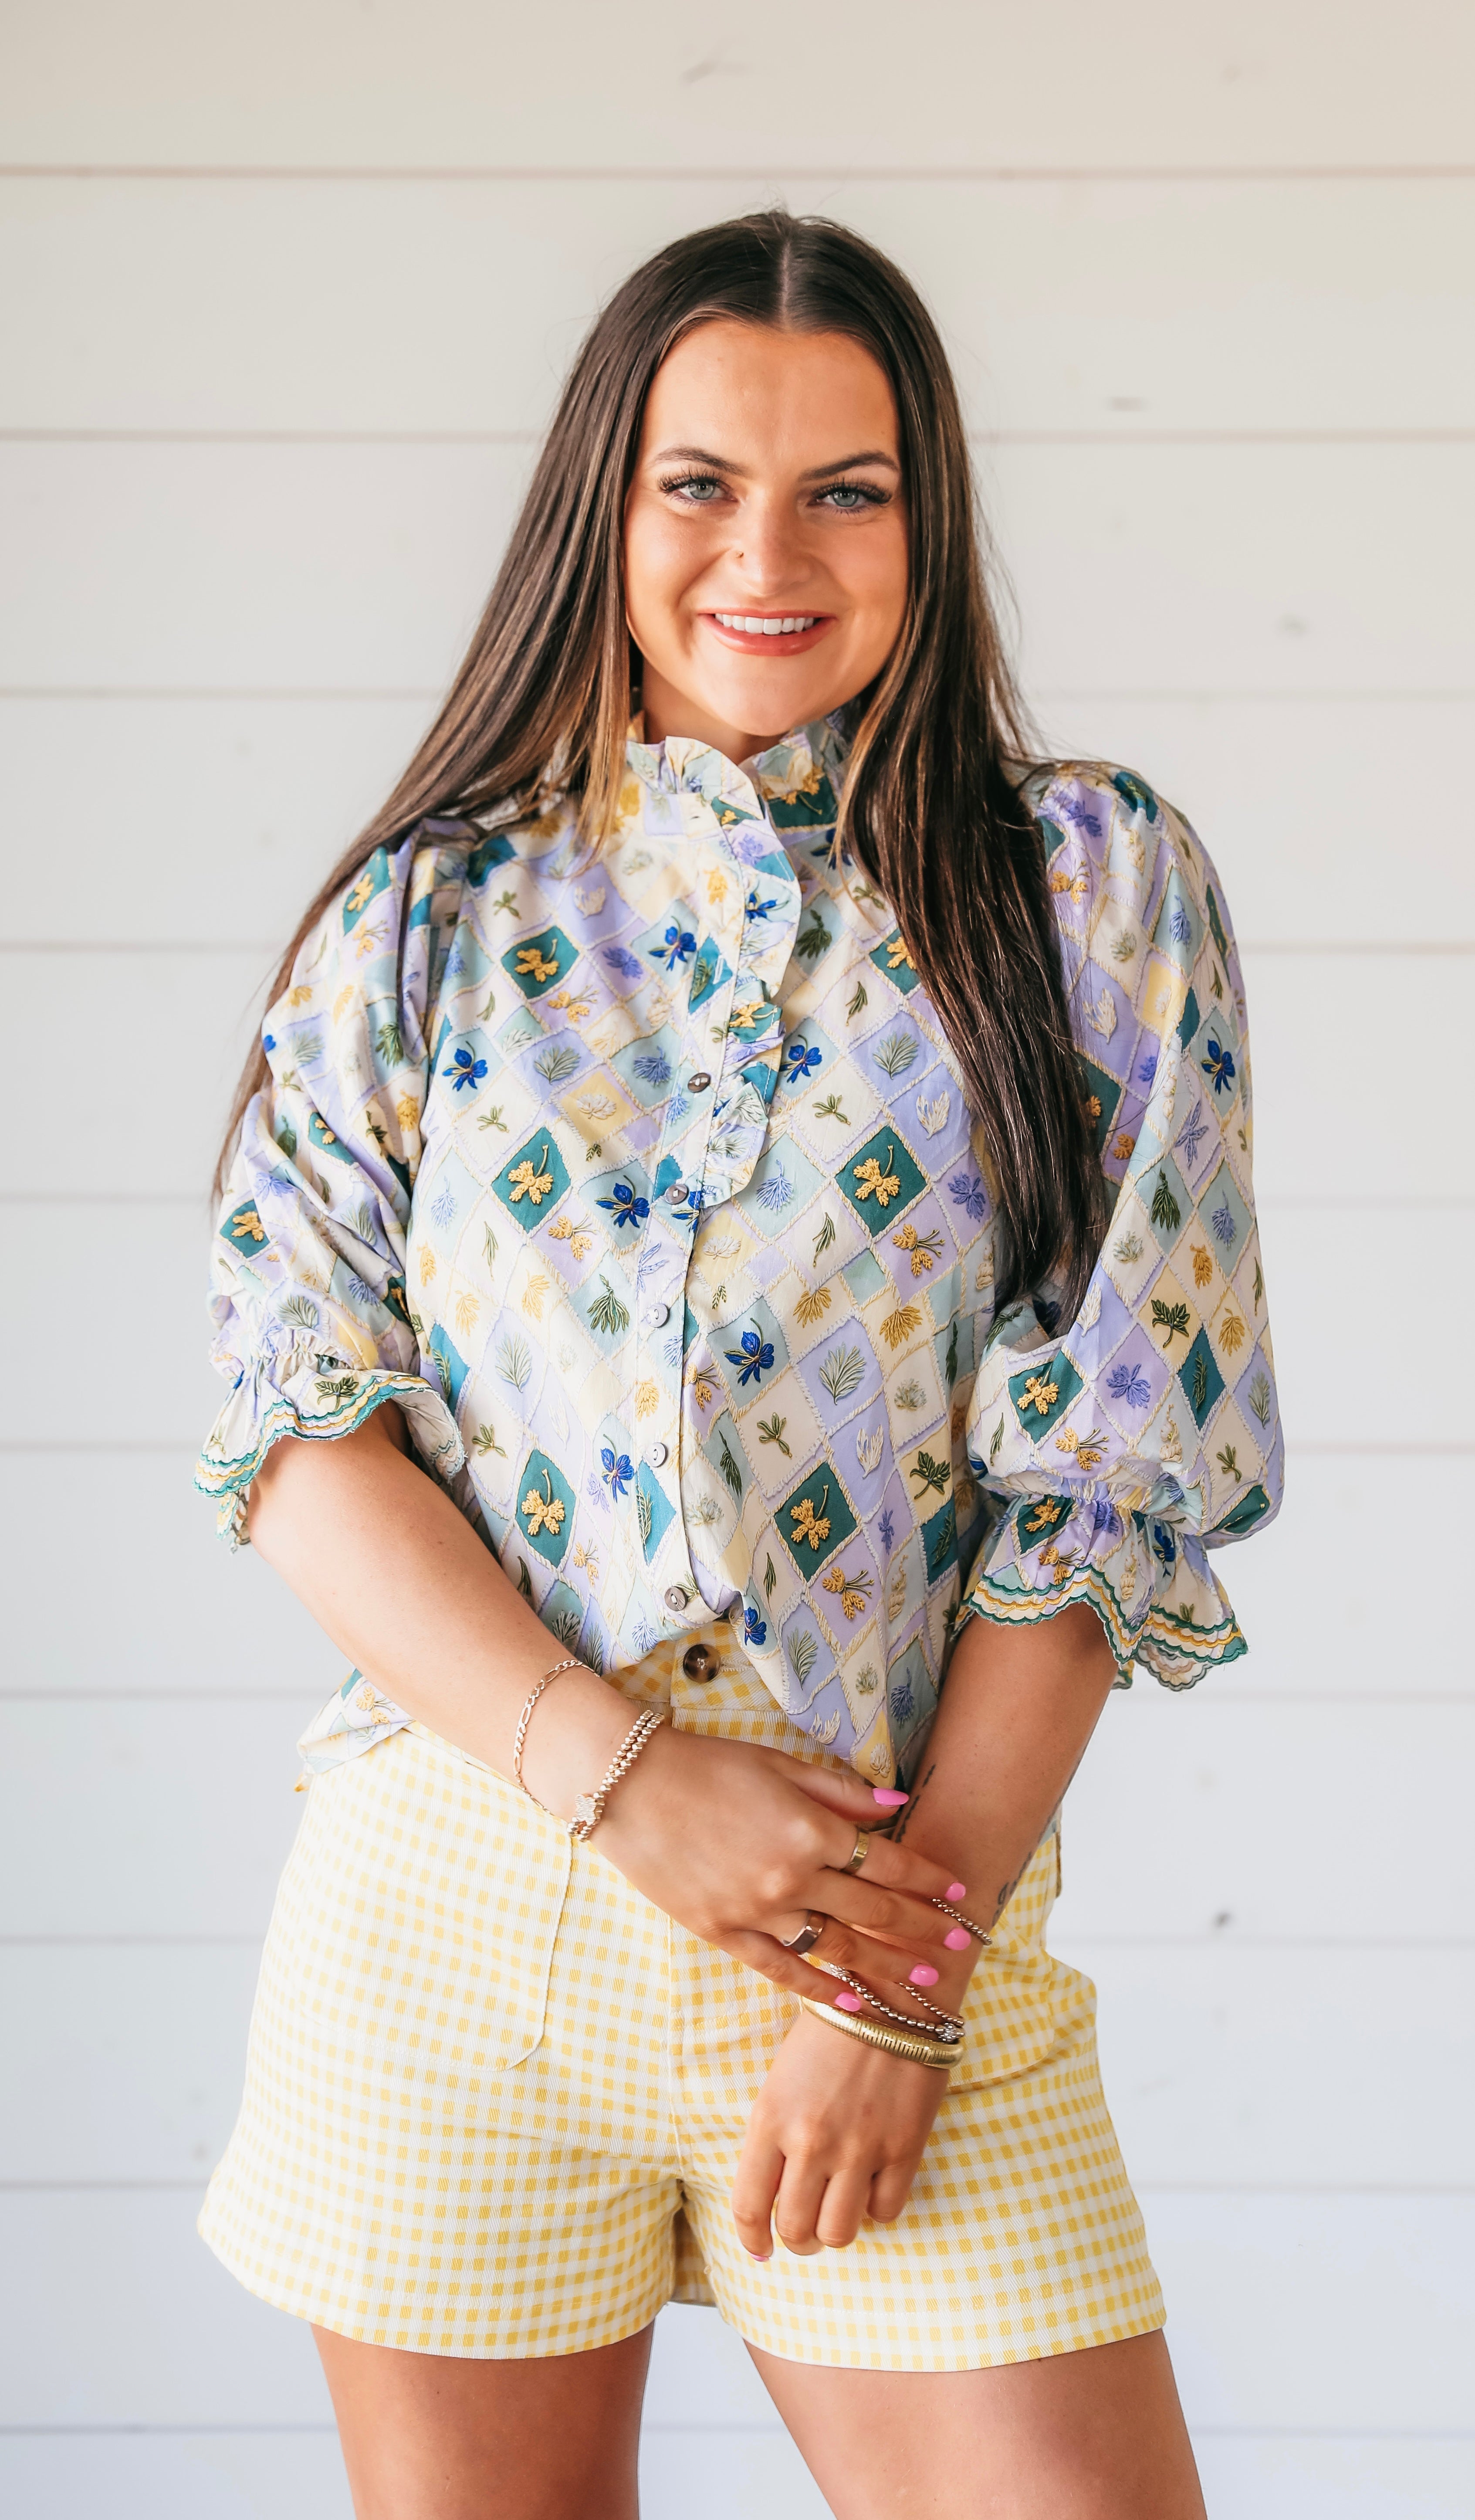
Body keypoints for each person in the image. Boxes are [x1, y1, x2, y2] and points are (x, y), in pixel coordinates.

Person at [195, 211, 1281, 2519]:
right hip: (456, 1918)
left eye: (844, 490)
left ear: (931, 514)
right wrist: (626, 1782)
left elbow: (1106, 1470)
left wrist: (892, 1991)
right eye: (698, 483)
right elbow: (298, 1428)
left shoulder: (1091, 894)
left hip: (901, 1907)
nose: (764, 554)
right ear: (607, 506)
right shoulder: (427, 919)